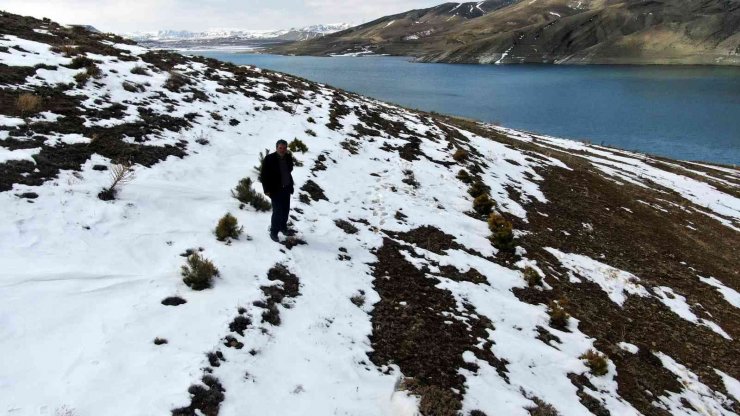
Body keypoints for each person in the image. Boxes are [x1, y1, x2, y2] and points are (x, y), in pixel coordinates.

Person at [259, 139, 295, 242]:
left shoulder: (288, 157)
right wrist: (266, 189)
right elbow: (264, 175)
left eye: (284, 148)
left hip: (286, 188)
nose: (282, 150)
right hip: (275, 190)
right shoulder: (269, 158)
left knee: (285, 210)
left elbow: (290, 168)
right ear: (276, 148)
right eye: (280, 148)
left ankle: (283, 227)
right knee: (277, 212)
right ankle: (274, 232)